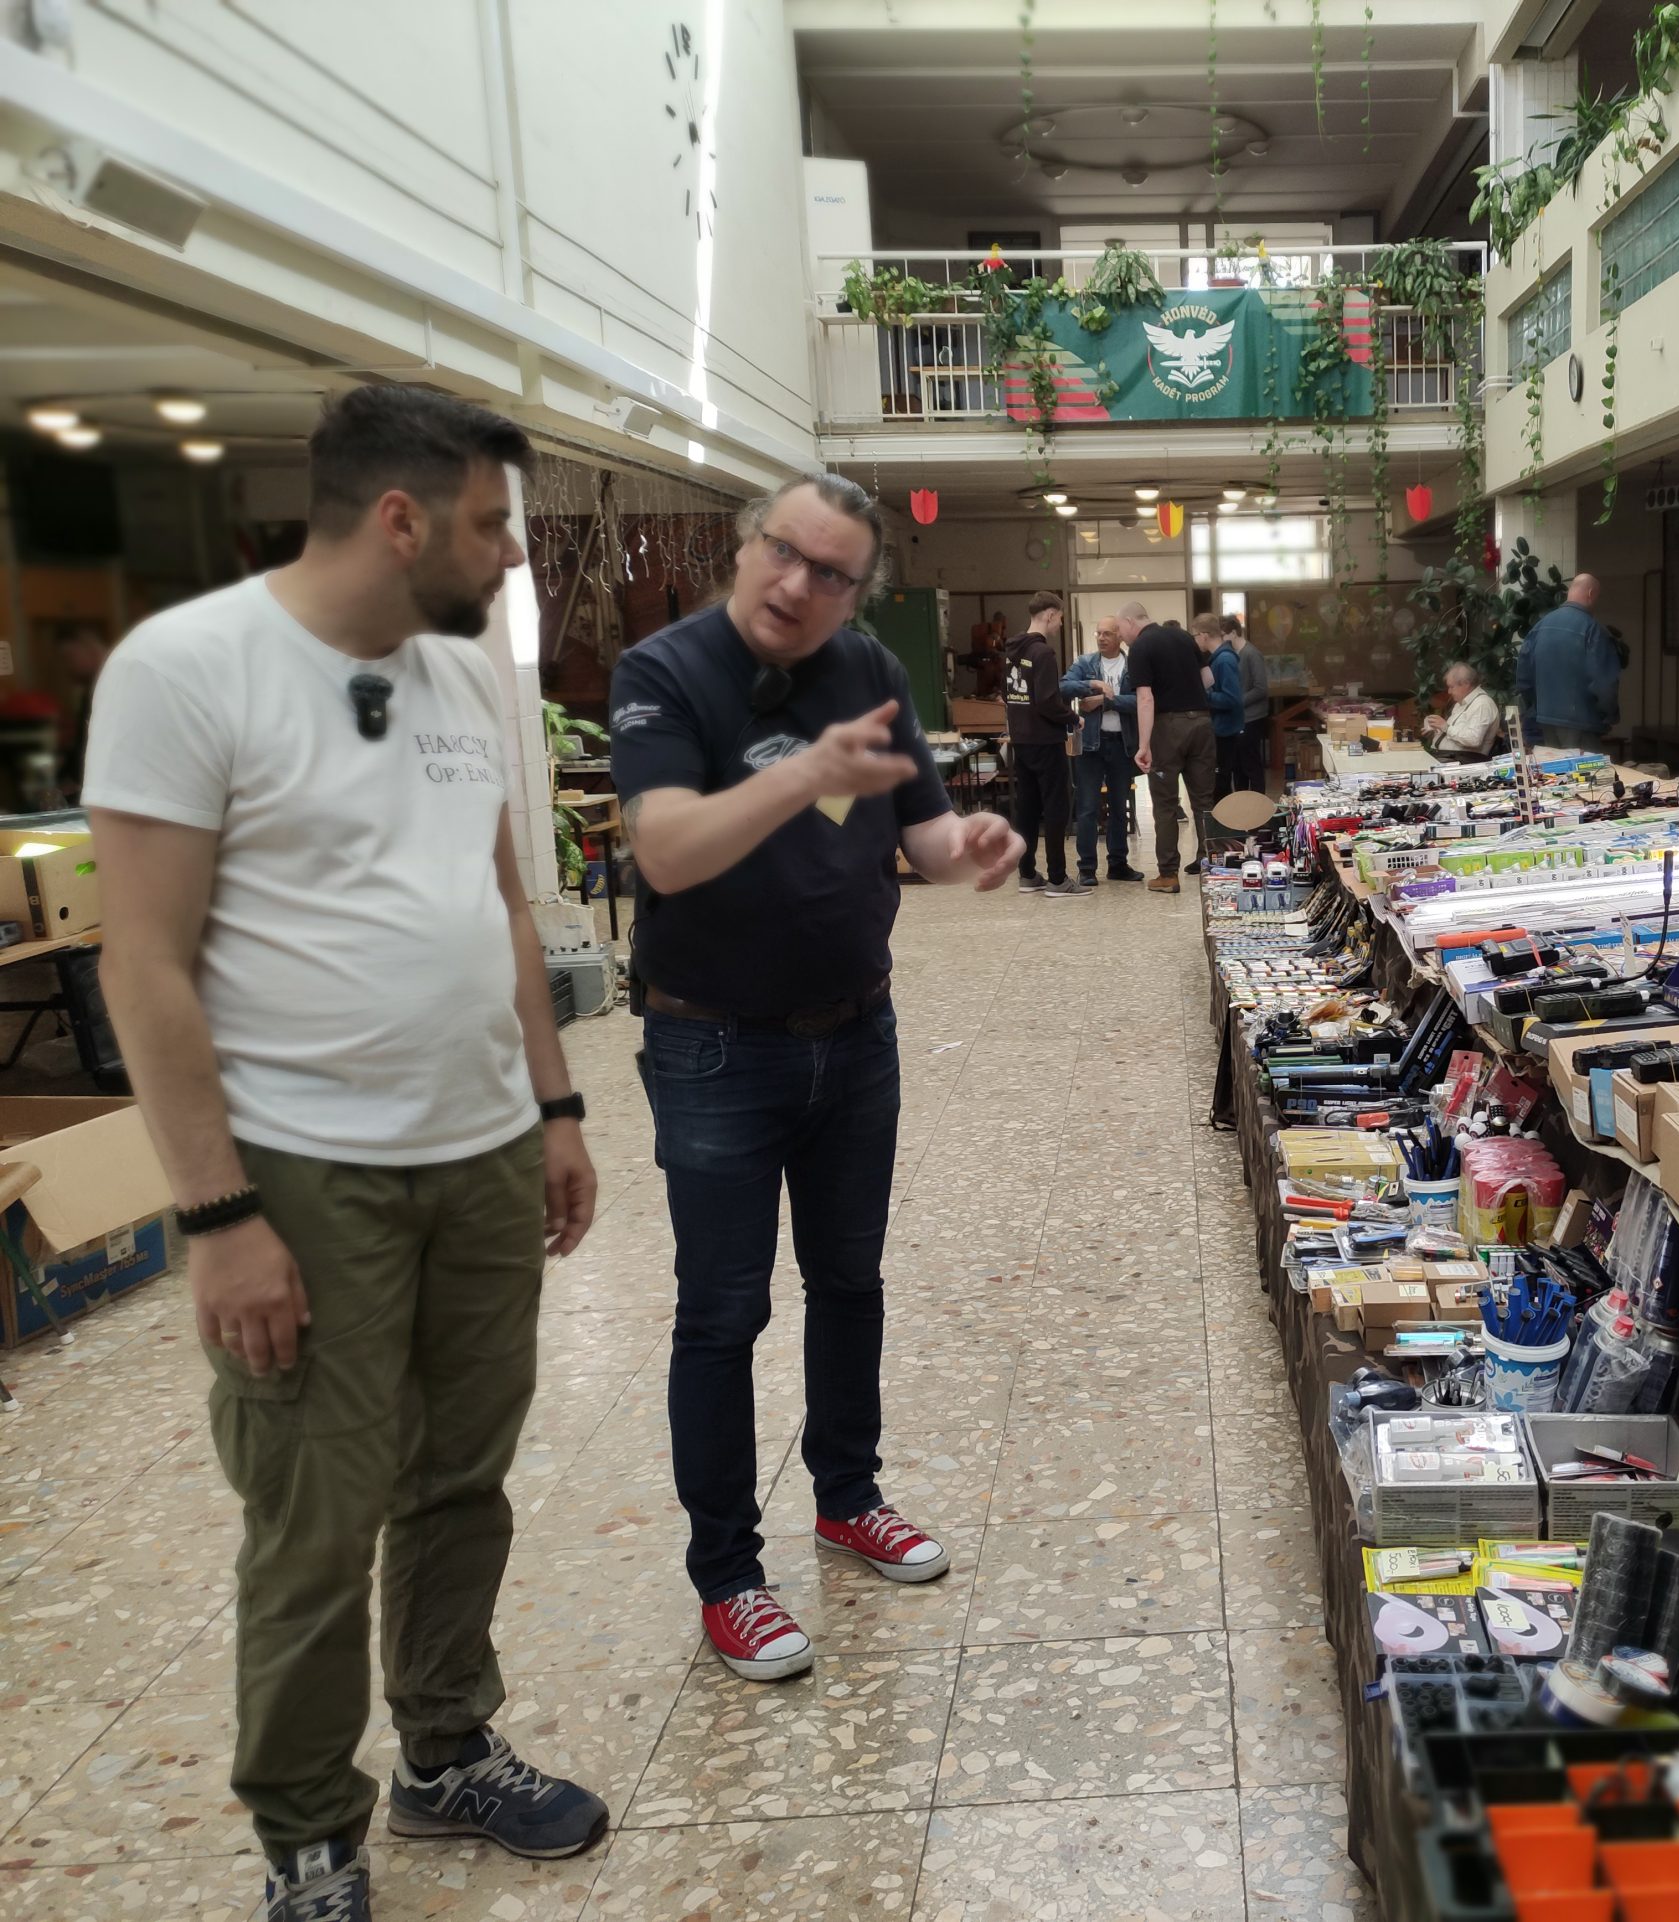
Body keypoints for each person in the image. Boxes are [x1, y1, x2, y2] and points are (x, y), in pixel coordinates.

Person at [85, 385, 610, 1922]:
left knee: (462, 1475)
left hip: (481, 1152)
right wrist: (218, 1213)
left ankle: (446, 1744)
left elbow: (500, 907)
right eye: (493, 523)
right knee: (316, 1512)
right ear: (400, 519)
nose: (513, 554)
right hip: (306, 1173)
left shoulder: (454, 677)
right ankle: (309, 1833)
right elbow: (142, 961)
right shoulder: (188, 667)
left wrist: (555, 1109)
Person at [610, 472, 1021, 1687]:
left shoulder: (869, 672)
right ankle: (728, 1572)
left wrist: (971, 847)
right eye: (782, 551)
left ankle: (847, 1495)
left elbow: (922, 836)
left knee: (849, 1281)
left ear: (858, 592)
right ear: (746, 544)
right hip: (713, 1044)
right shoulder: (665, 672)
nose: (796, 583)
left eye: (830, 572)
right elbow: (666, 849)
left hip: (856, 1031)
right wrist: (804, 769)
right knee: (721, 1311)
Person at [1130, 607, 1218, 893]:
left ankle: (1168, 874)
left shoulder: (1141, 646)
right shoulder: (1183, 637)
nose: (1122, 635)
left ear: (1130, 622)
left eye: (1120, 629)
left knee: (1166, 803)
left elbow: (1145, 699)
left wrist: (1143, 745)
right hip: (1201, 723)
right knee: (1204, 800)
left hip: (1168, 728)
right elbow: (1209, 680)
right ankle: (1211, 866)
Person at [1003, 590, 1082, 895]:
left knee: (1027, 808)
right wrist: (1073, 718)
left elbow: (1008, 695)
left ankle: (1026, 873)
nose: (1059, 624)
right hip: (1046, 741)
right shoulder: (1043, 653)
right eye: (1060, 618)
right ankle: (1058, 879)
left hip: (1021, 740)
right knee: (1056, 807)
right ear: (1049, 615)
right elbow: (1048, 701)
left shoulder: (1011, 651)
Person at [1059, 614, 1142, 882]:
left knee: (1119, 807)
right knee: (1087, 807)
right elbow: (1062, 687)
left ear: (1119, 636)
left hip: (1122, 744)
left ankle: (1118, 864)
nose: (1102, 638)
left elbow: (1141, 701)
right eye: (1099, 633)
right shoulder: (1086, 663)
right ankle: (1086, 868)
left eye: (1107, 633)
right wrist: (1092, 684)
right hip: (1090, 746)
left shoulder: (1132, 666)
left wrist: (1106, 702)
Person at [1516, 573, 1619, 752]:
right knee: (1585, 770)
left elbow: (1524, 677)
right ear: (1591, 593)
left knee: (1555, 768)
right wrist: (1608, 715)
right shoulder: (1593, 630)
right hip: (1583, 722)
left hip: (1546, 720)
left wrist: (1537, 707)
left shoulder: (1540, 626)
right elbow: (1605, 684)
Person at [53, 619, 112, 800]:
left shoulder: (110, 686)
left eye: (69, 658)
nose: (67, 666)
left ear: (89, 648)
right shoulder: (89, 691)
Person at [1422, 660, 1503, 762]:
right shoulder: (1461, 703)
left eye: (1451, 687)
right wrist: (1437, 730)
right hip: (1446, 757)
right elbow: (1455, 734)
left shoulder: (1482, 704)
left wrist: (1445, 727)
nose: (1449, 692)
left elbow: (1473, 740)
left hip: (1463, 760)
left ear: (1466, 684)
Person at [1227, 613, 1271, 790]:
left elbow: (1261, 688)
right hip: (1238, 718)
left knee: (1251, 764)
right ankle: (1242, 801)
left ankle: (1259, 801)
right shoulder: (1232, 654)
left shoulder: (1252, 654)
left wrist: (1237, 701)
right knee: (1238, 766)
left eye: (1222, 634)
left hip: (1252, 718)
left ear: (1233, 633)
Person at [1207, 615, 1249, 799]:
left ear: (1204, 635)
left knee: (1222, 783)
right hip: (1222, 729)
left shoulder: (1224, 660)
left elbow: (1231, 698)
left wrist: (1205, 696)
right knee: (1222, 782)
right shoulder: (1218, 659)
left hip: (1225, 731)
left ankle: (1226, 817)